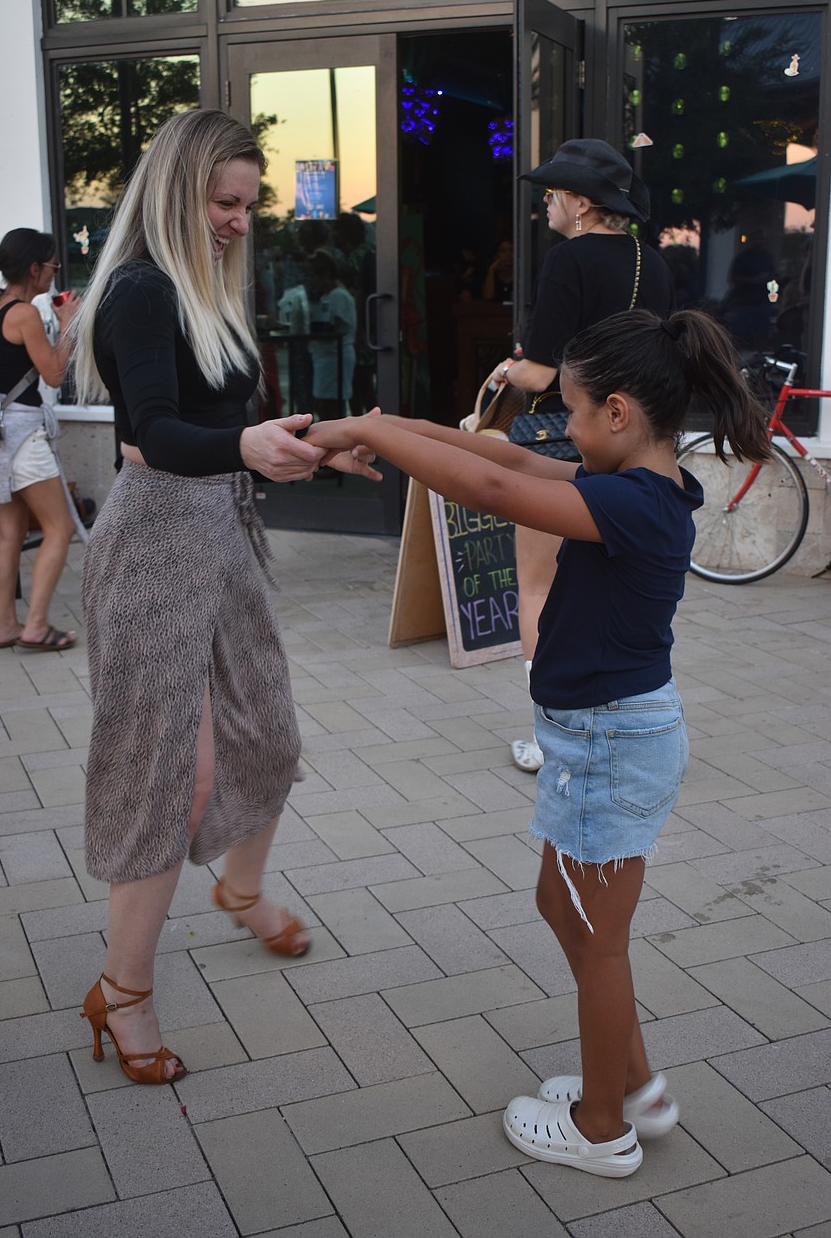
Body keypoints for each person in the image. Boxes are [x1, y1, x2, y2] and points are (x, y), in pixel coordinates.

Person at [307, 306, 771, 1178]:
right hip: (592, 738)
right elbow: (509, 458)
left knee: (597, 934)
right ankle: (634, 1086)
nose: (565, 428)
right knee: (564, 907)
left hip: (609, 742)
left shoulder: (638, 504)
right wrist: (377, 426)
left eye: (574, 410)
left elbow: (491, 490)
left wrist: (372, 433)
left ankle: (603, 1126)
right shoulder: (638, 483)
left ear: (620, 414)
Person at [71, 109, 379, 1086]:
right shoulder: (140, 291)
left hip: (225, 535)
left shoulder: (204, 286)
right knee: (167, 776)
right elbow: (159, 432)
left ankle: (240, 895)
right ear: (178, 192)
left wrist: (314, 442)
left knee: (270, 736)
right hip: (157, 539)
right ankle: (122, 991)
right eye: (224, 201)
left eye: (249, 203)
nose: (242, 220)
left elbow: (225, 421)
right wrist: (243, 450)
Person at [487, 139, 674, 773]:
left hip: (563, 436)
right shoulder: (656, 262)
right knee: (614, 591)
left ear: (582, 203)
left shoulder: (570, 260)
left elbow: (541, 374)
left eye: (553, 193)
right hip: (638, 443)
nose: (545, 204)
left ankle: (548, 733)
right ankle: (625, 719)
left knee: (540, 587)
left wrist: (506, 372)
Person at [0, 228, 81, 651]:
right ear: (35, 268)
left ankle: (5, 626)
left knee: (9, 532)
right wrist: (68, 324)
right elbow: (54, 374)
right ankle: (36, 626)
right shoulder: (21, 314)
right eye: (53, 266)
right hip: (23, 435)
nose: (54, 276)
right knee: (59, 528)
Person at [306, 248, 356, 421]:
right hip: (325, 357)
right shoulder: (328, 295)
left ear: (326, 274)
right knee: (322, 402)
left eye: (315, 276)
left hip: (334, 356)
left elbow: (338, 326)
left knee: (329, 404)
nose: (313, 281)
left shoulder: (338, 296)